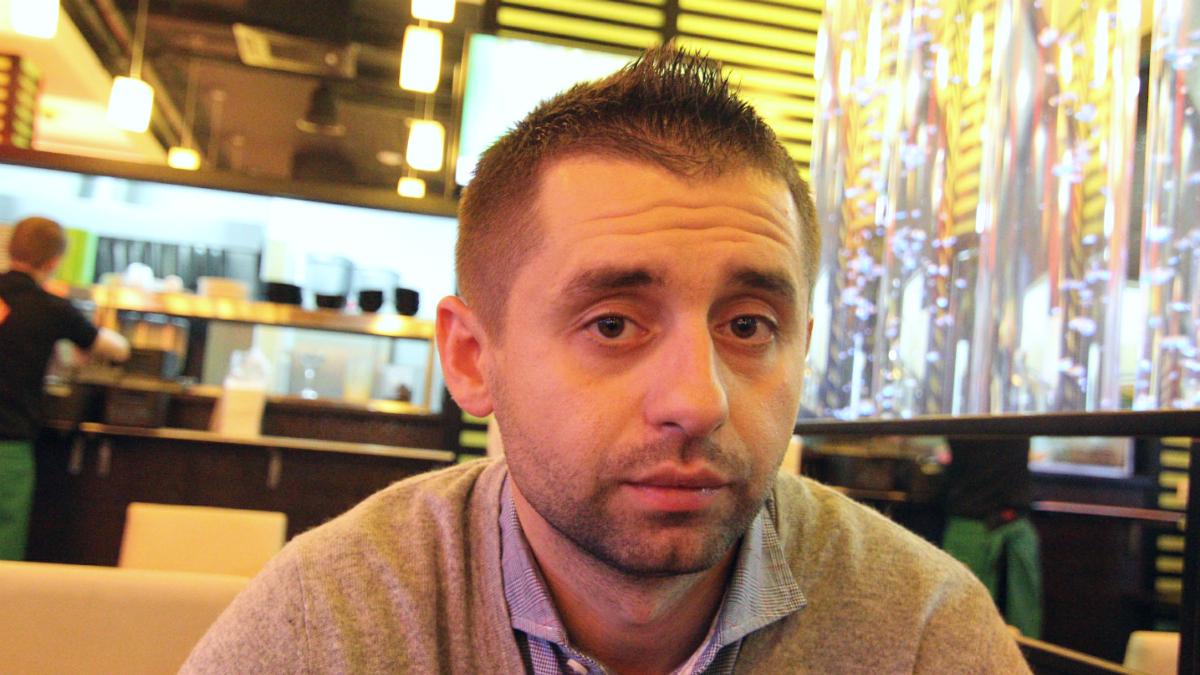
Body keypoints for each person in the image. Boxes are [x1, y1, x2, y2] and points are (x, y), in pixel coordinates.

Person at [183, 47, 1029, 673]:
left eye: (747, 325)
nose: (698, 399)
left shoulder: (924, 634)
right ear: (473, 358)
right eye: (614, 324)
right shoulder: (326, 627)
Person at [0, 216, 130, 560]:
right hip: (8, 444)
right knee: (4, 546)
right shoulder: (50, 307)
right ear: (53, 261)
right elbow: (115, 348)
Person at [941, 436, 1043, 638]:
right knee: (967, 625)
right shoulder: (1018, 415)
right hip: (1002, 523)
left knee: (961, 626)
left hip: (973, 524)